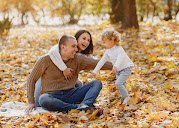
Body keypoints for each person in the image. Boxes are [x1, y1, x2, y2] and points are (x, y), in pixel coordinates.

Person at [26, 35, 112, 113]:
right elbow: (31, 79)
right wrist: (31, 102)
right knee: (43, 99)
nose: (76, 49)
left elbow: (97, 63)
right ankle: (78, 107)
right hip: (52, 96)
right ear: (63, 47)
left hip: (71, 93)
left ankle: (85, 105)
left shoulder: (78, 59)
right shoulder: (45, 60)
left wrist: (118, 66)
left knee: (96, 83)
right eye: (73, 46)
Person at [34, 30, 93, 107]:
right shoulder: (66, 45)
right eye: (84, 38)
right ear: (77, 38)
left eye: (88, 40)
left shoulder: (80, 55)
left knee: (79, 83)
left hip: (62, 82)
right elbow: (52, 52)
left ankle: (75, 104)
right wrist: (64, 68)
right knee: (38, 104)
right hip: (47, 77)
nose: (86, 42)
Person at [92, 30, 134, 105]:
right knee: (122, 84)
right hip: (119, 71)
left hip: (126, 68)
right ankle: (124, 98)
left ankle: (127, 96)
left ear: (111, 40)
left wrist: (115, 66)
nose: (104, 44)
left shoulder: (119, 49)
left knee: (118, 83)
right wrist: (95, 71)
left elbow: (120, 58)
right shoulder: (108, 51)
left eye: (105, 42)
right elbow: (101, 61)